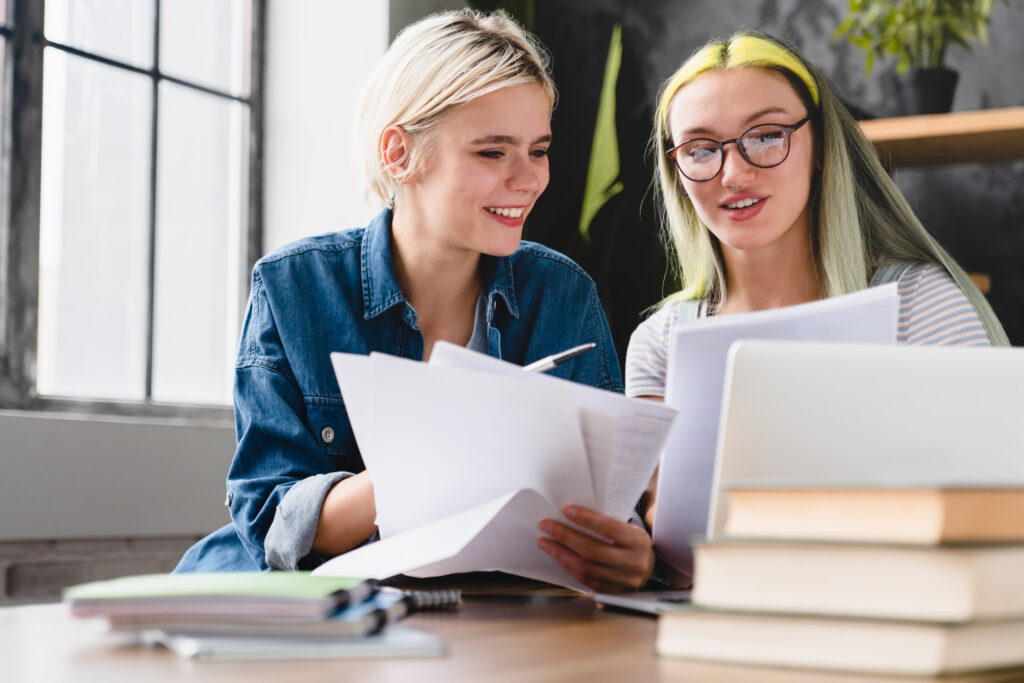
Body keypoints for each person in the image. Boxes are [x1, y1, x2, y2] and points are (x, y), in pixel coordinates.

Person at [175, 10, 655, 593]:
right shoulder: (292, 288)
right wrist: (439, 457)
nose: (529, 179)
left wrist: (626, 551)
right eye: (492, 152)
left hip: (494, 617)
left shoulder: (562, 293)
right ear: (399, 153)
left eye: (539, 149)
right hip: (321, 610)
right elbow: (272, 523)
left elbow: (604, 511)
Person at [626, 31, 1009, 530]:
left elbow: (990, 498)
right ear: (676, 170)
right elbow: (668, 534)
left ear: (822, 145)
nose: (734, 173)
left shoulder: (919, 303)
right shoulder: (659, 344)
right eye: (700, 149)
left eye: (766, 136)